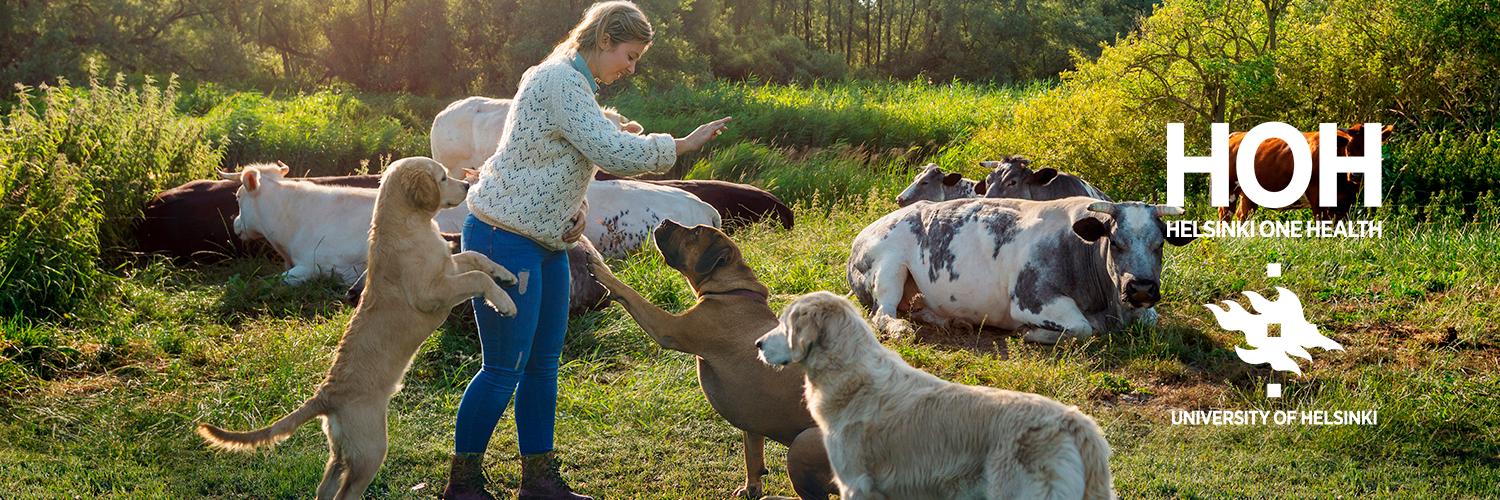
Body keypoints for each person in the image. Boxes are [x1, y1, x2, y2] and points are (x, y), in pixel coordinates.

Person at [442, 2, 731, 499]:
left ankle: (539, 481)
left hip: (549, 242)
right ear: (603, 40)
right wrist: (681, 145)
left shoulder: (577, 86)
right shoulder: (558, 80)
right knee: (502, 367)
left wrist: (575, 207)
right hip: (503, 237)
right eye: (631, 55)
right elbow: (610, 151)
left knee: (543, 362)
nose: (632, 67)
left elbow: (559, 158)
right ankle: (463, 485)